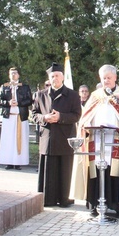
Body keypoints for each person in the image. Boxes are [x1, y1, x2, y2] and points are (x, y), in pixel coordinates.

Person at [73, 65, 119, 218]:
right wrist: (85, 126)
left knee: (117, 172)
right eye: (103, 78)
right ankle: (94, 205)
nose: (106, 81)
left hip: (116, 140)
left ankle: (118, 207)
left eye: (109, 78)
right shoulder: (95, 96)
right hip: (96, 139)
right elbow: (85, 116)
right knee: (95, 172)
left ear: (115, 78)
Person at [32, 63, 82, 207]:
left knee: (65, 170)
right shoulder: (40, 95)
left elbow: (77, 115)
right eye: (52, 76)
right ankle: (48, 199)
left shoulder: (72, 95)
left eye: (57, 76)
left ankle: (65, 199)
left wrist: (60, 117)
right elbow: (34, 114)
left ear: (62, 77)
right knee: (48, 170)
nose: (55, 79)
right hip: (48, 137)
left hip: (65, 137)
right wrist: (45, 118)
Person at [0, 67, 33, 170]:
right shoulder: (4, 87)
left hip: (20, 117)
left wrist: (19, 103)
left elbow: (29, 100)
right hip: (8, 116)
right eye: (11, 73)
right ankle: (8, 161)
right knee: (8, 140)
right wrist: (7, 103)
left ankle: (18, 162)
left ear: (19, 75)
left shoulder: (24, 87)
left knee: (20, 139)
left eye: (15, 73)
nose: (13, 75)